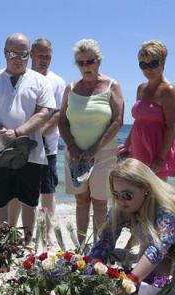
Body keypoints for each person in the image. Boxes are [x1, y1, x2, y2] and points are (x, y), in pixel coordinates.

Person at [0, 33, 56, 243]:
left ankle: (28, 241)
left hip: (32, 152)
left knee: (29, 200)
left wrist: (18, 133)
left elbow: (44, 113)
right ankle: (2, 243)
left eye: (23, 54)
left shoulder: (40, 81)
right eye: (13, 53)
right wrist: (2, 132)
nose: (18, 58)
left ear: (29, 55)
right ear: (5, 53)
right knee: (0, 200)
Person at [89, 159, 175, 284]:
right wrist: (96, 263)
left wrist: (131, 280)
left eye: (127, 195)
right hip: (161, 244)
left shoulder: (167, 208)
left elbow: (158, 248)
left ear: (146, 189)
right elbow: (106, 240)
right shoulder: (121, 208)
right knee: (152, 279)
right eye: (116, 195)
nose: (121, 200)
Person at [58, 39, 124, 247]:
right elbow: (62, 121)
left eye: (90, 61)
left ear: (99, 61)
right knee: (81, 201)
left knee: (101, 202)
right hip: (74, 155)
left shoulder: (112, 86)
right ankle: (81, 246)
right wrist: (71, 146)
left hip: (104, 154)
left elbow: (118, 120)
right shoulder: (70, 88)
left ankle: (100, 247)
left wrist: (97, 147)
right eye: (80, 63)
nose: (85, 67)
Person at [10, 38, 67, 245]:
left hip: (47, 145)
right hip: (21, 144)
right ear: (31, 55)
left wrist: (38, 132)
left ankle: (49, 230)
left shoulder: (58, 81)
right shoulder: (22, 77)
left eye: (48, 56)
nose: (44, 60)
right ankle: (13, 229)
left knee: (48, 189)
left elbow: (58, 113)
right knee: (17, 189)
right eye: (41, 56)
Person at [123, 40, 175, 181]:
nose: (148, 69)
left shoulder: (169, 90)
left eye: (153, 64)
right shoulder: (141, 88)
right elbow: (137, 121)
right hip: (138, 143)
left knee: (156, 194)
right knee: (137, 191)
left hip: (157, 146)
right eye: (143, 65)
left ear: (163, 62)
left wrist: (160, 158)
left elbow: (173, 127)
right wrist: (126, 145)